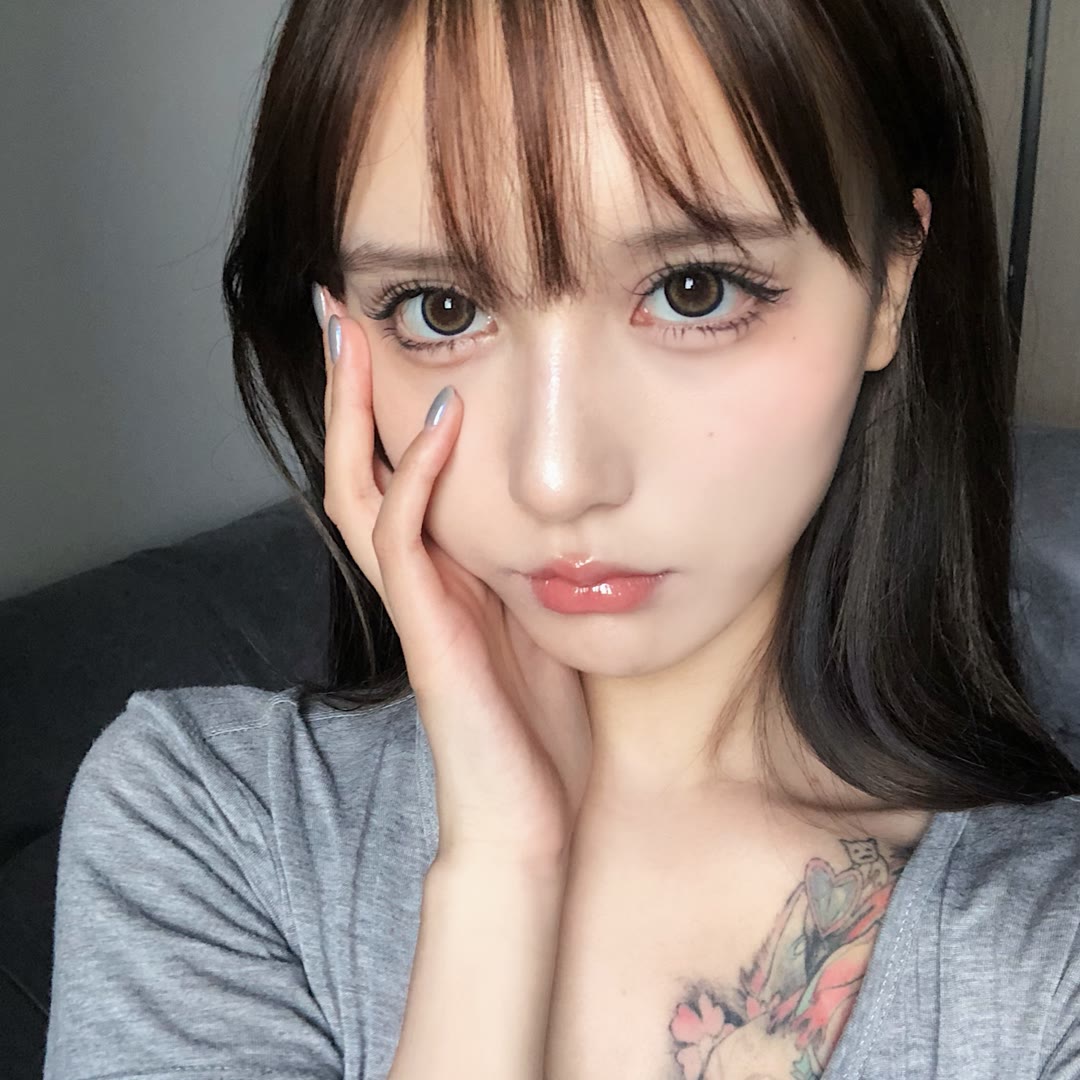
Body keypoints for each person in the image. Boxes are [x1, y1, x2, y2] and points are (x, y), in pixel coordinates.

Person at [44, 1, 1080, 1078]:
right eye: (440, 310)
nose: (556, 477)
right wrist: (500, 870)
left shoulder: (1047, 959)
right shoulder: (212, 822)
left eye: (694, 290)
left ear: (889, 284)